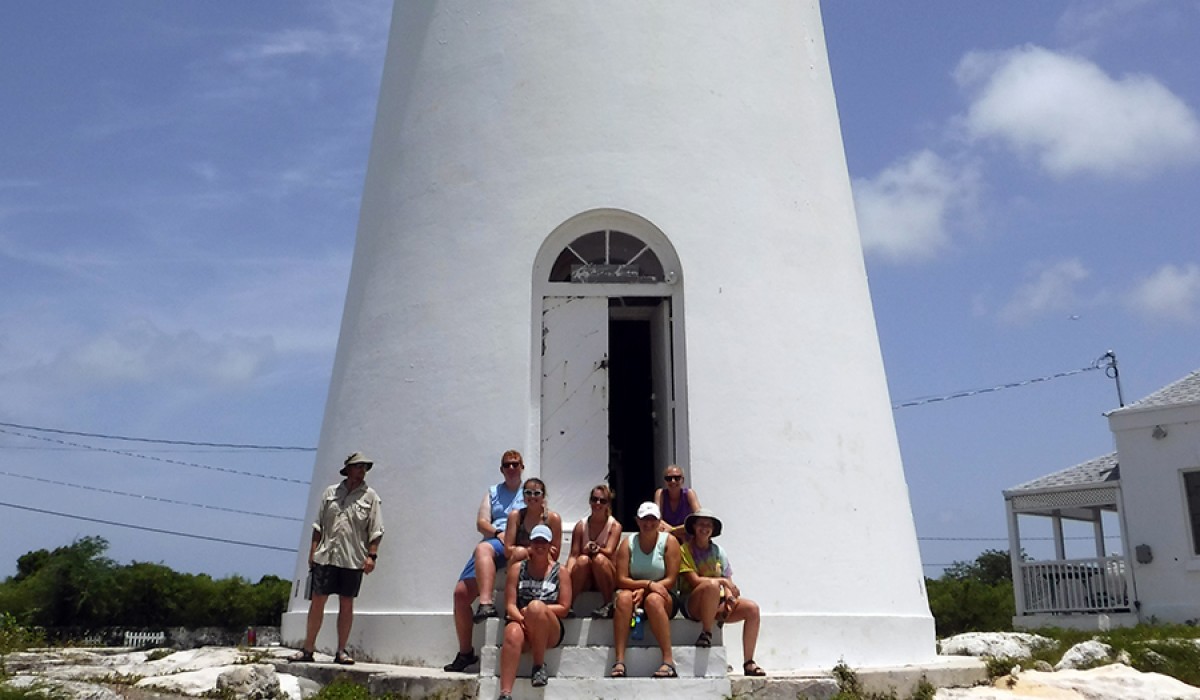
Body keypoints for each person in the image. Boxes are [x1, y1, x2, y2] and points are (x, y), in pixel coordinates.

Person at [291, 452, 384, 665]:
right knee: (317, 601)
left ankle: (341, 650)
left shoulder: (370, 496)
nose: (361, 471)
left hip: (352, 558)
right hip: (326, 554)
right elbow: (318, 525)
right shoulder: (330, 493)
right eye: (358, 466)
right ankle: (308, 648)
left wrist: (372, 556)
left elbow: (376, 530)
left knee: (346, 602)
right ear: (348, 469)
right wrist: (313, 551)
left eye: (364, 467)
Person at [444, 449, 527, 673]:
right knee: (460, 594)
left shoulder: (528, 491)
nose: (511, 468)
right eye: (507, 465)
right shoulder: (493, 492)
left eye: (515, 464)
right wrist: (497, 532)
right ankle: (465, 653)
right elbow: (481, 522)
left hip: (517, 541)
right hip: (495, 541)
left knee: (483, 548)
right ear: (501, 469)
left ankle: (486, 601)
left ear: (522, 467)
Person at [678, 508, 766, 677]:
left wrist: (730, 598)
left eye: (708, 525)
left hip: (717, 603)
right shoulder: (685, 550)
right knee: (711, 585)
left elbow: (729, 583)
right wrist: (722, 582)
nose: (704, 528)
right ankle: (706, 632)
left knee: (752, 609)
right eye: (701, 524)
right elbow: (694, 580)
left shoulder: (719, 552)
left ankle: (749, 661)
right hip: (693, 603)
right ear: (694, 527)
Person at [496, 524, 572, 700]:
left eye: (543, 541)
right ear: (530, 543)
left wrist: (535, 611)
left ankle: (538, 666)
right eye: (536, 540)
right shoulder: (517, 569)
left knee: (536, 607)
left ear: (550, 544)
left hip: (549, 627)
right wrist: (523, 617)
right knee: (512, 632)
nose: (540, 545)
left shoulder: (560, 572)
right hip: (523, 621)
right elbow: (510, 604)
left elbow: (564, 607)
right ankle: (505, 693)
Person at [610, 501, 681, 679]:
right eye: (644, 520)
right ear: (637, 521)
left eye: (652, 520)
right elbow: (621, 579)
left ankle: (668, 661)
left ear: (659, 522)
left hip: (663, 595)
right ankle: (619, 660)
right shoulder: (628, 543)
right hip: (637, 592)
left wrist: (648, 590)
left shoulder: (669, 542)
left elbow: (671, 579)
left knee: (653, 600)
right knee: (624, 599)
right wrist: (647, 585)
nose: (648, 524)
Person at [565, 484, 622, 619]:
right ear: (590, 501)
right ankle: (568, 604)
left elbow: (609, 551)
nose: (598, 503)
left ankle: (608, 604)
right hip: (586, 577)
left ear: (608, 504)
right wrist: (567, 575)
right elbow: (573, 555)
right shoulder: (580, 526)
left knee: (599, 559)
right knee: (582, 560)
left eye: (602, 501)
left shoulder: (614, 526)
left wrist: (596, 549)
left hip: (606, 574)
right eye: (595, 499)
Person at [503, 477, 563, 565]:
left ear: (543, 496)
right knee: (520, 552)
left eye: (537, 493)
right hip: (519, 560)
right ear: (523, 496)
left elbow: (554, 553)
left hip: (543, 562)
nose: (532, 496)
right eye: (528, 493)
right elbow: (508, 551)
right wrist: (534, 549)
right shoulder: (516, 516)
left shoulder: (553, 518)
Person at [653, 464, 700, 541]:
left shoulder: (689, 494)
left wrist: (672, 530)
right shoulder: (660, 494)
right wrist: (679, 531)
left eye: (677, 478)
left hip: (687, 541)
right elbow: (657, 520)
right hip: (667, 539)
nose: (673, 481)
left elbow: (699, 518)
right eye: (669, 478)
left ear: (683, 480)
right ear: (664, 481)